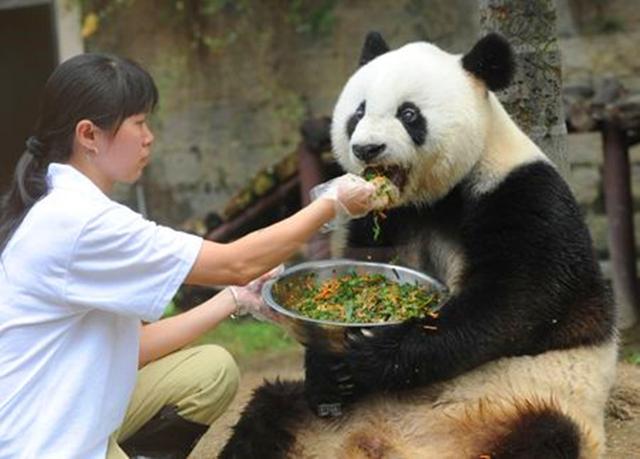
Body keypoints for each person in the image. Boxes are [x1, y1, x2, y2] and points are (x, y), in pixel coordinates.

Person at [0, 53, 377, 459]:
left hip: (76, 411)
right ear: (89, 135)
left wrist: (235, 298)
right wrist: (330, 204)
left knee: (208, 372)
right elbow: (237, 262)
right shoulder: (81, 222)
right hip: (42, 442)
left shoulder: (66, 206)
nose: (149, 137)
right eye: (139, 123)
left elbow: (134, 346)